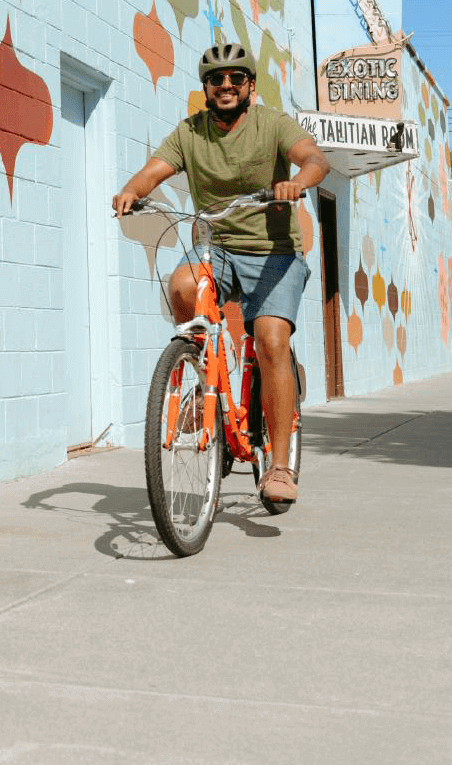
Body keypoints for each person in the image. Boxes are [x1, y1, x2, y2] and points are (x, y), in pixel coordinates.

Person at [110, 43, 329, 506]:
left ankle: (280, 466)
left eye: (235, 79)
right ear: (206, 89)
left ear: (249, 85)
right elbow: (154, 170)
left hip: (275, 252)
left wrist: (297, 182)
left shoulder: (272, 124)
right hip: (218, 245)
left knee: (271, 339)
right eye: (215, 80)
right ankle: (199, 372)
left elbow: (314, 158)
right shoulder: (191, 132)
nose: (225, 86)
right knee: (182, 285)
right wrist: (131, 189)